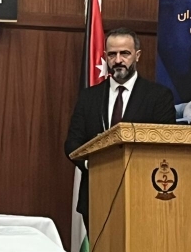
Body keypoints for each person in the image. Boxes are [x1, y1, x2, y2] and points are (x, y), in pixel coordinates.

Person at [64, 28, 175, 222]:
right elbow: (73, 143)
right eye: (112, 54)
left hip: (142, 194)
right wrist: (93, 165)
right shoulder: (89, 97)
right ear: (105, 57)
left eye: (125, 53)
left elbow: (165, 144)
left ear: (137, 55)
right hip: (95, 195)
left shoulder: (159, 96)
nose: (118, 60)